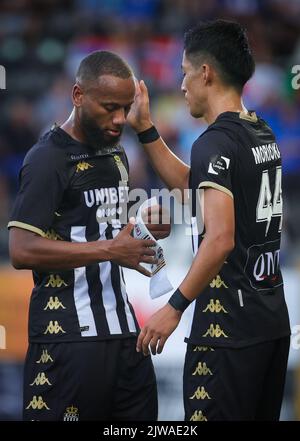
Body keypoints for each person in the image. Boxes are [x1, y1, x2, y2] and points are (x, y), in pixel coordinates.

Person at [128, 20, 291, 421]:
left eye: (184, 72)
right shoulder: (260, 131)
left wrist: (174, 307)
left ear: (205, 73)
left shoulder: (214, 142)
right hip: (270, 323)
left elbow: (219, 239)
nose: (181, 85)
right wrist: (147, 131)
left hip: (227, 331)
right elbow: (198, 189)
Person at [8, 50, 170, 421]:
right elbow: (21, 249)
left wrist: (146, 221)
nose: (119, 120)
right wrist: (113, 249)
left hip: (128, 334)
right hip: (67, 336)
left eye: (126, 108)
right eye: (110, 107)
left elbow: (104, 222)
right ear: (78, 96)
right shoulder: (46, 158)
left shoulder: (116, 154)